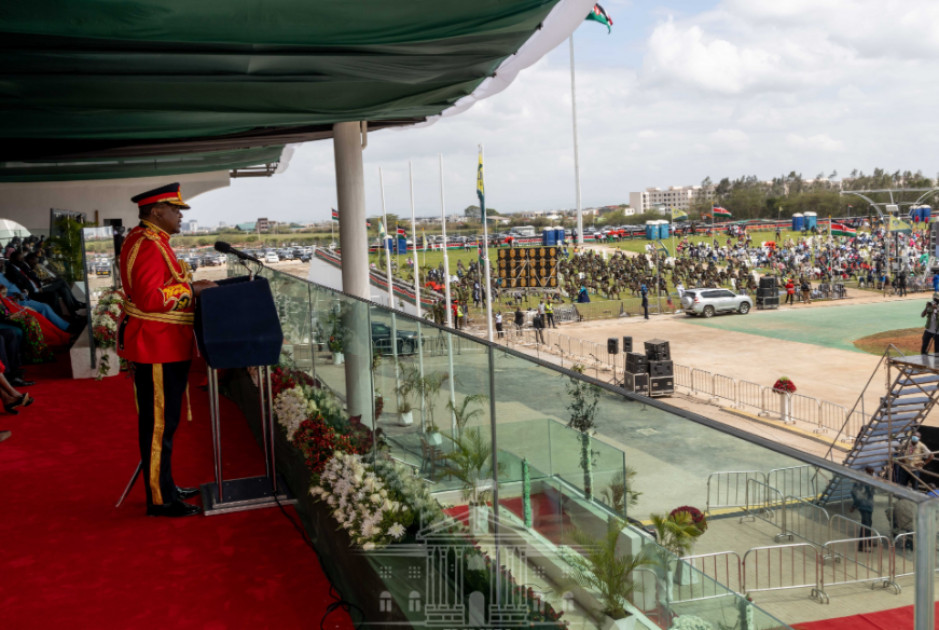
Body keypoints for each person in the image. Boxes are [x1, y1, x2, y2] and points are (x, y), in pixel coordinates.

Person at [118, 183, 217, 518]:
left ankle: (166, 485)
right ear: (156, 211)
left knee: (165, 424)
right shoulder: (147, 244)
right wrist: (193, 290)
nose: (179, 216)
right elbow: (150, 298)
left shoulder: (153, 241)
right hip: (156, 345)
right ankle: (160, 499)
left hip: (165, 343)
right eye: (175, 210)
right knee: (159, 425)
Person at [850, 467, 876, 551]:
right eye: (871, 470)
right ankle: (861, 546)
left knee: (869, 523)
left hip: (869, 505)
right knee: (866, 525)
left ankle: (868, 541)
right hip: (864, 505)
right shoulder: (862, 480)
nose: (872, 472)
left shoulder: (870, 479)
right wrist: (854, 505)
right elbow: (856, 493)